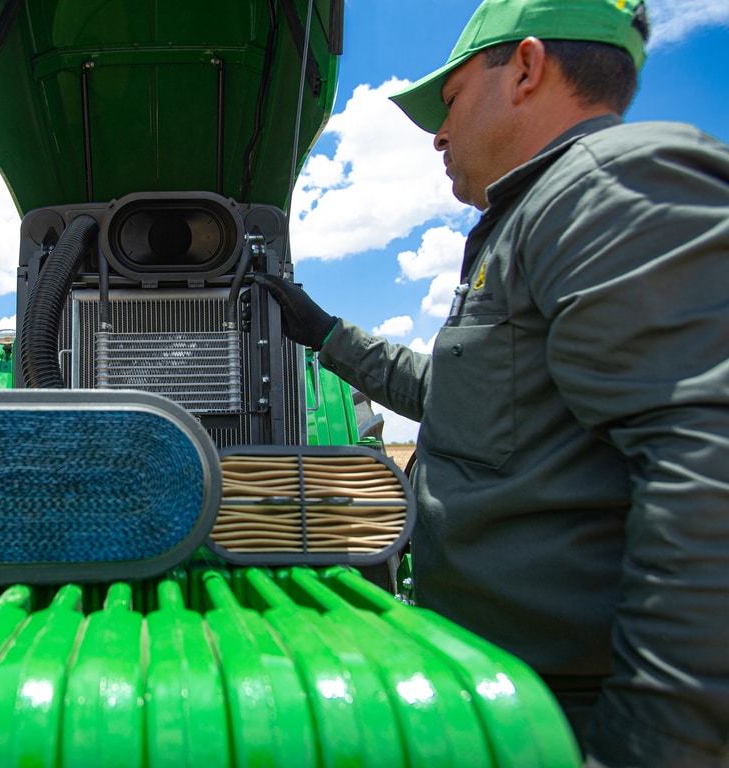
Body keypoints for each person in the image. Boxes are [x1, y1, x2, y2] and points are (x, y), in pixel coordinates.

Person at [257, 0, 729, 765]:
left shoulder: (611, 188)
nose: (439, 134)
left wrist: (656, 745)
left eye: (447, 102)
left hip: (571, 708)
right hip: (506, 682)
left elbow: (707, 469)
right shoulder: (528, 220)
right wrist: (325, 334)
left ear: (529, 68)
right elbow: (466, 401)